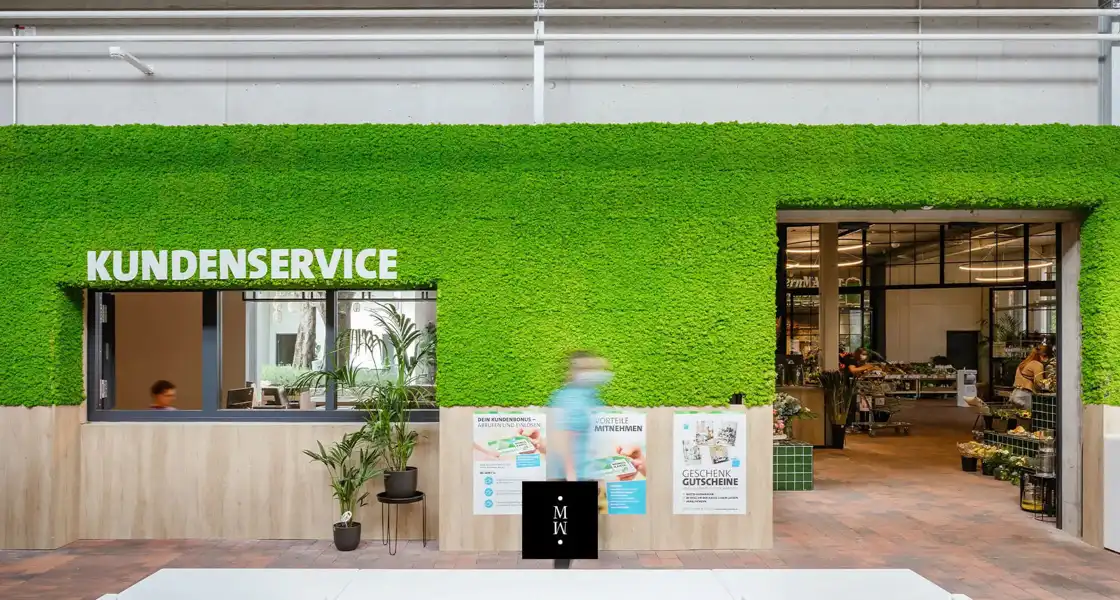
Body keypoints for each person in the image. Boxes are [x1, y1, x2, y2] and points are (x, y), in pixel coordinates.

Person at [548, 350, 611, 569]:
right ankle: (561, 580)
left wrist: (598, 475)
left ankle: (565, 578)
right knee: (568, 538)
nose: (596, 372)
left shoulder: (591, 396)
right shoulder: (569, 397)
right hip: (571, 476)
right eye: (589, 368)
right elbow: (563, 437)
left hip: (585, 473)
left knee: (575, 536)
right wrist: (571, 475)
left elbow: (591, 438)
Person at [1010, 345, 1052, 409]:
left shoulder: (1023, 363)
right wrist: (1050, 386)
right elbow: (1039, 383)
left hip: (1015, 394)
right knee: (1031, 417)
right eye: (1047, 357)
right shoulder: (1037, 364)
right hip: (1025, 396)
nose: (1047, 359)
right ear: (1043, 355)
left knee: (1020, 418)